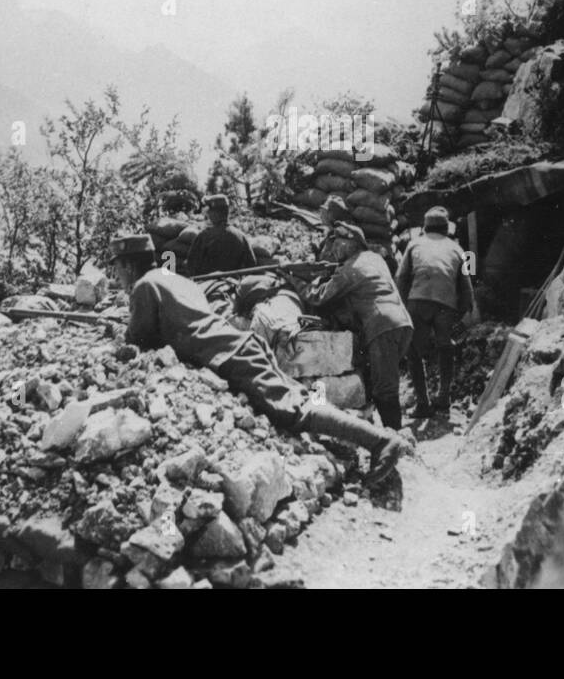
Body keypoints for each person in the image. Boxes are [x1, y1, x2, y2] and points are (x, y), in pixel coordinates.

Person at [110, 234, 409, 484]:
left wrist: (120, 328)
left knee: (296, 411)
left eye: (118, 269)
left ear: (127, 265)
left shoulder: (144, 286)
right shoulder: (177, 279)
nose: (117, 277)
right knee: (300, 399)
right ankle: (376, 437)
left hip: (231, 356)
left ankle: (381, 442)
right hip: (244, 346)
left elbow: (139, 340)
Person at [305, 222, 414, 431]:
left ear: (351, 244)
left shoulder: (350, 269)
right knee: (382, 381)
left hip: (381, 326)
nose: (334, 249)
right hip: (401, 322)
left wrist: (297, 283)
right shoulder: (375, 258)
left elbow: (318, 296)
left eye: (338, 243)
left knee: (385, 389)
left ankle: (395, 441)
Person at [396, 206, 478, 418]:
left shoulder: (414, 244)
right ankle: (443, 398)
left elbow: (401, 277)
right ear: (446, 228)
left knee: (414, 352)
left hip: (417, 301)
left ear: (425, 227)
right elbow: (466, 287)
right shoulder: (457, 249)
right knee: (445, 346)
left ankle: (423, 404)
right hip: (445, 304)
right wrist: (459, 314)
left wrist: (403, 306)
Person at [186, 193, 256, 276]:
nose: (208, 213)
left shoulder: (205, 236)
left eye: (210, 210)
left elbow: (191, 265)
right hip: (234, 284)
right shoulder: (241, 236)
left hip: (206, 285)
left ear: (215, 213)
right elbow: (251, 264)